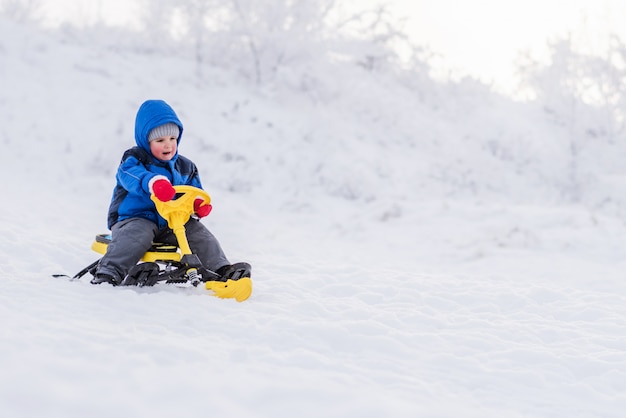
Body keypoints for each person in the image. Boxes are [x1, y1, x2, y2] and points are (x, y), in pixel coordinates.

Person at [91, 99, 244, 285]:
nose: (168, 145)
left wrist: (197, 206)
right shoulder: (135, 159)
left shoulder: (186, 166)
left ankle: (220, 269)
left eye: (173, 139)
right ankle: (109, 272)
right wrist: (154, 183)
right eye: (160, 140)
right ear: (146, 141)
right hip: (135, 218)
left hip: (172, 222)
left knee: (199, 234)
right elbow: (131, 176)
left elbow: (194, 191)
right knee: (137, 235)